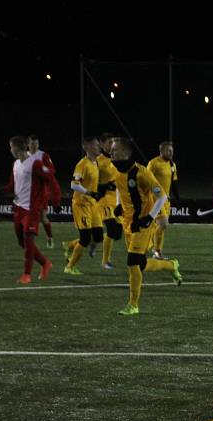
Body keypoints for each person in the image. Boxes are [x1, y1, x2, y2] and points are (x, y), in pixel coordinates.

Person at [110, 137, 182, 316]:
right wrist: (119, 204)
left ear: (126, 153)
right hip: (128, 223)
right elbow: (119, 187)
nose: (110, 152)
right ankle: (171, 265)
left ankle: (133, 304)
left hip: (142, 223)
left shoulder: (142, 173)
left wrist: (149, 218)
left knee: (132, 262)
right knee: (140, 264)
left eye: (114, 149)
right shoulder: (115, 169)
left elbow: (162, 196)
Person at [0, 136, 61, 283]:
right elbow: (13, 184)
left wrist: (56, 200)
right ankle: (45, 263)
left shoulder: (35, 163)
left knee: (28, 242)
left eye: (11, 147)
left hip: (32, 210)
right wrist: (3, 190)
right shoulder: (15, 164)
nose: (10, 150)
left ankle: (26, 275)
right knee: (23, 243)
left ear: (18, 148)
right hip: (19, 208)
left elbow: (51, 178)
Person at [64, 136, 106, 275]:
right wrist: (89, 192)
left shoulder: (95, 163)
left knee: (99, 237)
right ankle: (69, 267)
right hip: (81, 204)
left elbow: (92, 182)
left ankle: (70, 245)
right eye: (95, 145)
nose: (98, 146)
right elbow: (74, 184)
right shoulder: (82, 164)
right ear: (86, 147)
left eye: (98, 144)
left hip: (93, 204)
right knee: (86, 238)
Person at [147, 141, 180, 260]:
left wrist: (177, 198)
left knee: (161, 226)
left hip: (166, 200)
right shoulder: (153, 163)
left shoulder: (172, 164)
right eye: (169, 151)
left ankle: (154, 248)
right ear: (161, 151)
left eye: (172, 151)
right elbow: (147, 180)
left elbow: (174, 182)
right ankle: (156, 251)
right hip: (155, 199)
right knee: (163, 224)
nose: (171, 153)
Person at [97, 132, 123, 269]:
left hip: (117, 200)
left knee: (118, 234)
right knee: (112, 230)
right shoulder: (97, 160)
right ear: (101, 144)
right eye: (108, 143)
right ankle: (105, 261)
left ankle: (76, 244)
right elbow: (91, 182)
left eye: (112, 143)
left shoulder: (117, 159)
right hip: (104, 200)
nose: (111, 145)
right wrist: (106, 185)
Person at [27, 135, 56, 249]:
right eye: (32, 143)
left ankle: (50, 237)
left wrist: (42, 172)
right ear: (28, 144)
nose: (34, 146)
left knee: (43, 219)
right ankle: (30, 243)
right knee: (30, 218)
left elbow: (52, 170)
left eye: (36, 143)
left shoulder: (43, 156)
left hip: (41, 193)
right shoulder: (24, 156)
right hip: (28, 193)